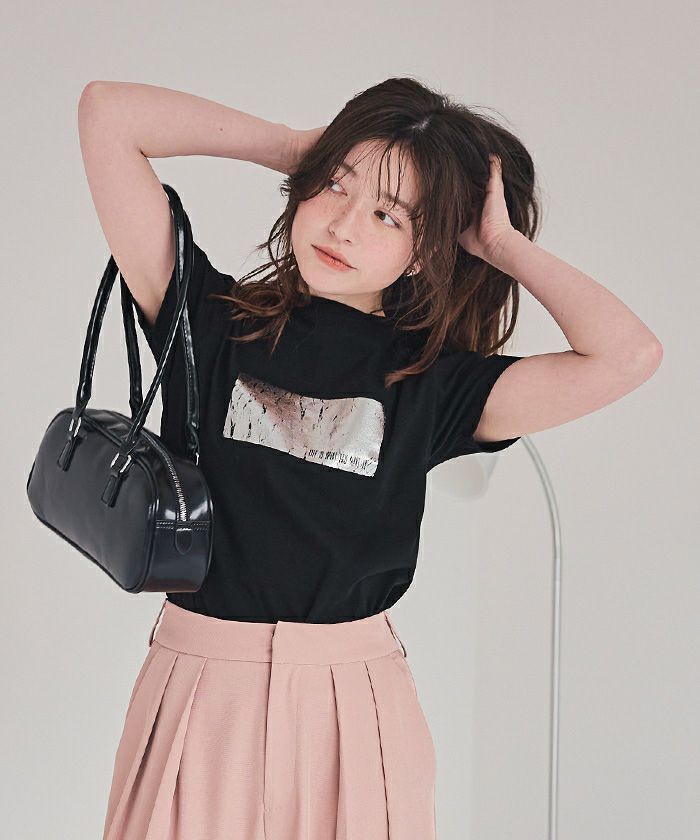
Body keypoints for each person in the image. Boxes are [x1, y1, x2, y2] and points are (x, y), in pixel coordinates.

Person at [78, 76, 662, 840]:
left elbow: (628, 356)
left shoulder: (434, 385)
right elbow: (107, 114)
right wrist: (300, 148)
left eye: (387, 215)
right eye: (335, 188)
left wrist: (502, 247)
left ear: (424, 253)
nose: (344, 225)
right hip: (199, 691)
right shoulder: (206, 323)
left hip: (352, 709)